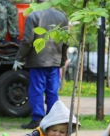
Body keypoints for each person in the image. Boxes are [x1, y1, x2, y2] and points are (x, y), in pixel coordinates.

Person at [13, 0, 69, 129]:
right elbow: (65, 41)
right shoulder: (61, 16)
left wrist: (19, 58)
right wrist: (62, 59)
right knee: (52, 91)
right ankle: (54, 120)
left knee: (37, 91)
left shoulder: (33, 16)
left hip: (37, 61)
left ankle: (37, 119)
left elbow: (27, 40)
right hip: (54, 61)